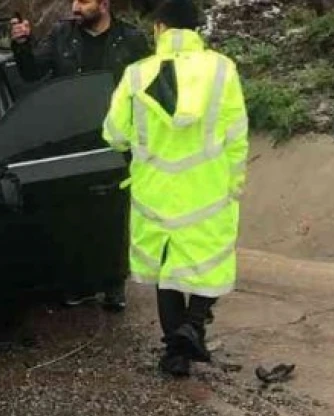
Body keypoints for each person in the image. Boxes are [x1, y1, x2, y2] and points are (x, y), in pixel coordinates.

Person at [100, 0, 249, 377]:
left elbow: (114, 134)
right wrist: (234, 180)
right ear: (196, 30)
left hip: (155, 190)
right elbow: (236, 132)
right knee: (210, 263)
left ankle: (175, 355)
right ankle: (194, 324)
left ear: (159, 29)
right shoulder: (222, 70)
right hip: (208, 190)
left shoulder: (137, 74)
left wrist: (140, 144)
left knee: (167, 274)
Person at [10, 0, 151, 313]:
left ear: (104, 4)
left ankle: (113, 283)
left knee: (113, 213)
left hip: (117, 141)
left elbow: (149, 87)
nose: (75, 6)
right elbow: (33, 71)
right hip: (72, 140)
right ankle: (78, 283)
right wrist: (22, 44)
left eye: (84, 1)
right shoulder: (62, 35)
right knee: (73, 212)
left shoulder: (130, 39)